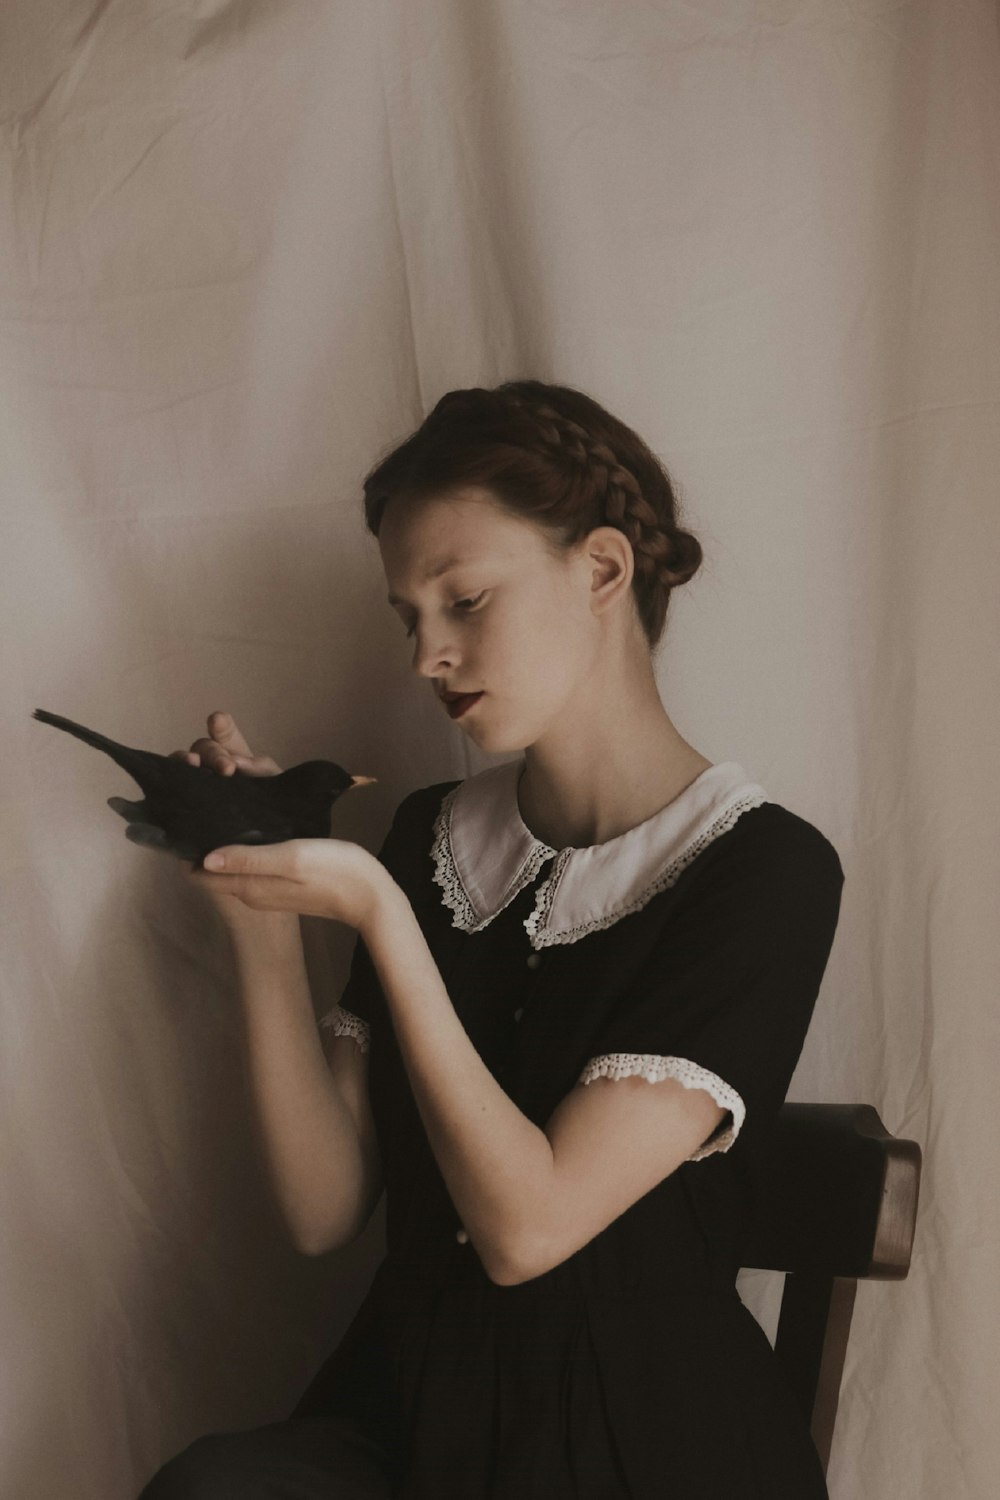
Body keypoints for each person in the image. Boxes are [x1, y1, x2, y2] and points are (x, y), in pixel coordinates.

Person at [137, 380, 844, 1498]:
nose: (427, 656)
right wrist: (261, 920)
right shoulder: (429, 835)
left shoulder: (765, 872)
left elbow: (527, 1231)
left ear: (603, 571)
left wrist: (373, 908)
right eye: (407, 617)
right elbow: (323, 1210)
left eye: (463, 600)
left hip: (636, 1446)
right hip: (413, 1416)